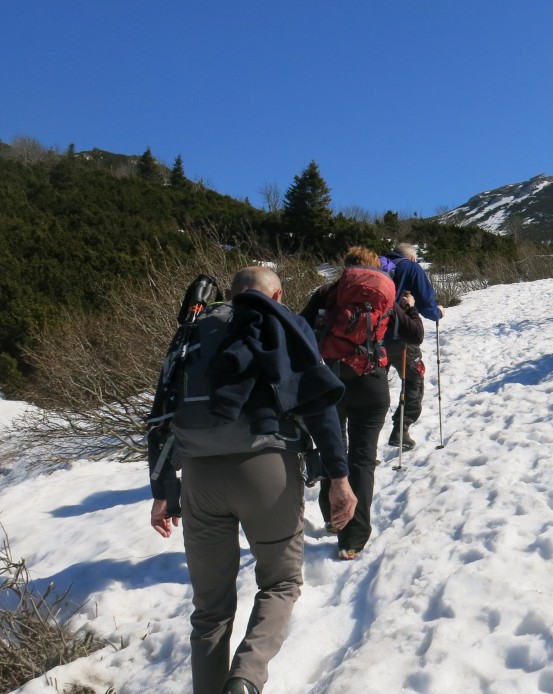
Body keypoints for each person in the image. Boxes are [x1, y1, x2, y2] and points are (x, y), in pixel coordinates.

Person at [148, 266, 357, 694]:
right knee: (280, 583)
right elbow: (319, 407)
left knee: (209, 610)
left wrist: (163, 491)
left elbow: (161, 411)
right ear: (276, 294)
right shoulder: (285, 323)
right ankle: (246, 678)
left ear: (231, 293)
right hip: (267, 470)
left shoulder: (193, 330)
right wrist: (339, 476)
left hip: (200, 475)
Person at [301, 246, 423, 559]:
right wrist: (409, 309)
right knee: (362, 458)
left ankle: (333, 519)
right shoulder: (385, 294)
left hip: (330, 379)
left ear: (346, 267)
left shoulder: (327, 292)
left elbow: (300, 331)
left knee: (333, 449)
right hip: (371, 381)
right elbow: (415, 335)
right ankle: (352, 539)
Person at [379, 243, 444, 450]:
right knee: (413, 381)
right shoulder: (411, 268)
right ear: (412, 257)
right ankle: (401, 430)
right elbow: (426, 303)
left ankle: (365, 444)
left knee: (375, 388)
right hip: (400, 335)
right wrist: (438, 313)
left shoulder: (374, 266)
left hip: (371, 338)